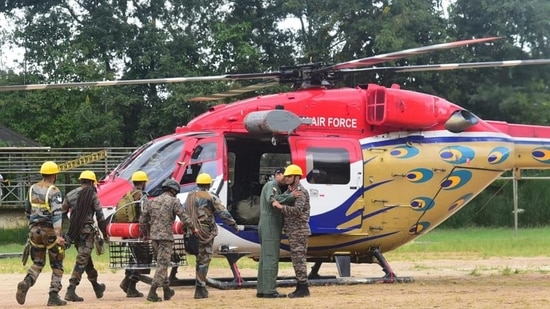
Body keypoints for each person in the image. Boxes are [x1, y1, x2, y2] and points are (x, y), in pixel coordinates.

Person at [16, 161, 67, 306]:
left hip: (34, 231)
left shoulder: (32, 189)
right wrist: (58, 236)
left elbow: (27, 210)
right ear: (55, 175)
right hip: (49, 232)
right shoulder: (54, 191)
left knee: (38, 262)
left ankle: (26, 282)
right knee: (57, 263)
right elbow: (57, 215)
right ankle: (53, 295)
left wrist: (32, 224)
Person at [184, 173, 239, 299]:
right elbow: (223, 212)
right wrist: (233, 224)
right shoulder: (210, 196)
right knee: (204, 259)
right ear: (208, 184)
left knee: (199, 258)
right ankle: (200, 288)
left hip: (191, 230)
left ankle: (200, 285)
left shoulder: (190, 196)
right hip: (204, 231)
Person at [139, 178, 194, 302]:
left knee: (161, 264)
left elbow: (142, 220)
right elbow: (184, 217)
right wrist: (193, 228)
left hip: (154, 238)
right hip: (165, 238)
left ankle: (166, 290)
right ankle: (152, 292)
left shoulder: (152, 202)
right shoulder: (174, 201)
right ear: (173, 190)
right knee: (162, 265)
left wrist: (145, 233)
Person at [62, 170, 108, 302]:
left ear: (81, 180)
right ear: (93, 182)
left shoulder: (70, 195)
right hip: (87, 232)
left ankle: (96, 287)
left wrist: (67, 231)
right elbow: (100, 216)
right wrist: (105, 233)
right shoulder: (92, 195)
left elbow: (62, 213)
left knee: (86, 258)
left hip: (75, 232)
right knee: (82, 259)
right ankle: (71, 289)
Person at [256, 167, 300, 298]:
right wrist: (291, 196)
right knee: (271, 257)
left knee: (264, 258)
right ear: (277, 174)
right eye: (284, 176)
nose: (286, 178)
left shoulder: (272, 185)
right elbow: (273, 200)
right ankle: (269, 290)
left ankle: (262, 289)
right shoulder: (272, 185)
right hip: (270, 224)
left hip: (267, 223)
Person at [272, 164, 311, 298]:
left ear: (296, 177)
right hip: (292, 231)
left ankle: (303, 288)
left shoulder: (300, 192)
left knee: (299, 259)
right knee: (296, 259)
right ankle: (300, 286)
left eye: (289, 176)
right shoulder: (289, 190)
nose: (287, 178)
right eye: (286, 176)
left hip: (299, 231)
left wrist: (280, 207)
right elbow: (281, 198)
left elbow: (297, 211)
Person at [116, 170, 149, 298]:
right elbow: (145, 214)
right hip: (137, 231)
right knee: (141, 259)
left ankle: (126, 282)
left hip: (128, 231)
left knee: (133, 257)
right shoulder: (142, 196)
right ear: (143, 182)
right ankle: (131, 287)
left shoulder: (127, 194)